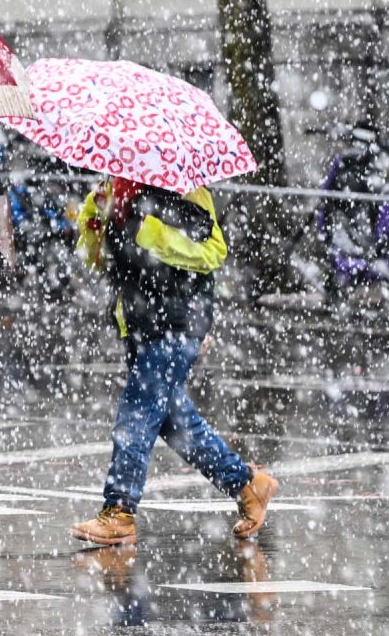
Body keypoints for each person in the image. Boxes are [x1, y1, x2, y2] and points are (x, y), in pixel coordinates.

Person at [69, 178, 278, 545]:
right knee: (176, 423)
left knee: (136, 414)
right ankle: (248, 485)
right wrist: (96, 220)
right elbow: (95, 259)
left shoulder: (187, 190)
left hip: (176, 324)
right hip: (138, 323)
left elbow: (213, 252)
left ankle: (119, 510)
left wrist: (148, 231)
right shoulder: (115, 190)